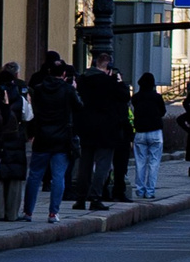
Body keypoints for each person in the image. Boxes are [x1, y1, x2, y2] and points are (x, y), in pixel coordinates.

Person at [24, 54, 79, 221]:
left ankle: (28, 212)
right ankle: (53, 213)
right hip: (61, 139)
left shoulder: (39, 89)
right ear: (63, 74)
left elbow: (33, 113)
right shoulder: (68, 90)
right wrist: (74, 89)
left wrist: (31, 134)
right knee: (58, 177)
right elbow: (79, 107)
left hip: (41, 137)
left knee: (34, 176)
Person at [74, 50, 129, 212]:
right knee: (103, 164)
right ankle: (96, 196)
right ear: (108, 66)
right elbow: (125, 97)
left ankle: (80, 197)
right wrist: (118, 81)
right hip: (107, 129)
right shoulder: (110, 82)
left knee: (85, 163)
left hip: (86, 127)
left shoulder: (83, 80)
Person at [0, 61, 30, 220]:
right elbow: (28, 116)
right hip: (15, 138)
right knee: (14, 177)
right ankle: (12, 213)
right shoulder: (20, 96)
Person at [130, 71, 167, 198]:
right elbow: (163, 112)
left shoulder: (135, 98)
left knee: (140, 163)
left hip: (140, 132)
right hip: (155, 132)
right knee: (153, 163)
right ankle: (150, 191)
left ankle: (140, 190)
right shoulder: (157, 97)